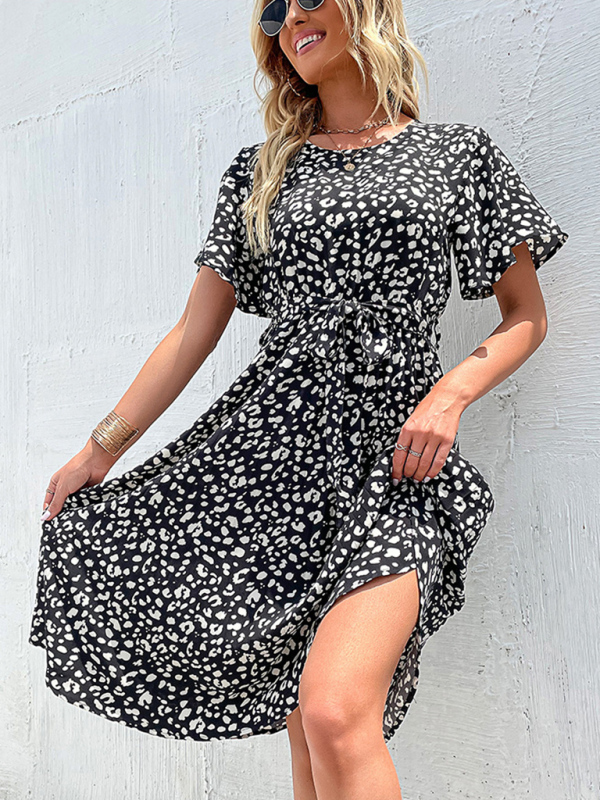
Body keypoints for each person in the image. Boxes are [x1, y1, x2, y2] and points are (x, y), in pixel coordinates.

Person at [30, 0, 569, 798]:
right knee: (305, 728)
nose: (290, 18)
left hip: (395, 465)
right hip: (272, 465)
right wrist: (99, 447)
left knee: (334, 711)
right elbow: (192, 331)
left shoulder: (457, 155)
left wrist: (450, 395)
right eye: (274, 12)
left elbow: (526, 316)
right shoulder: (261, 171)